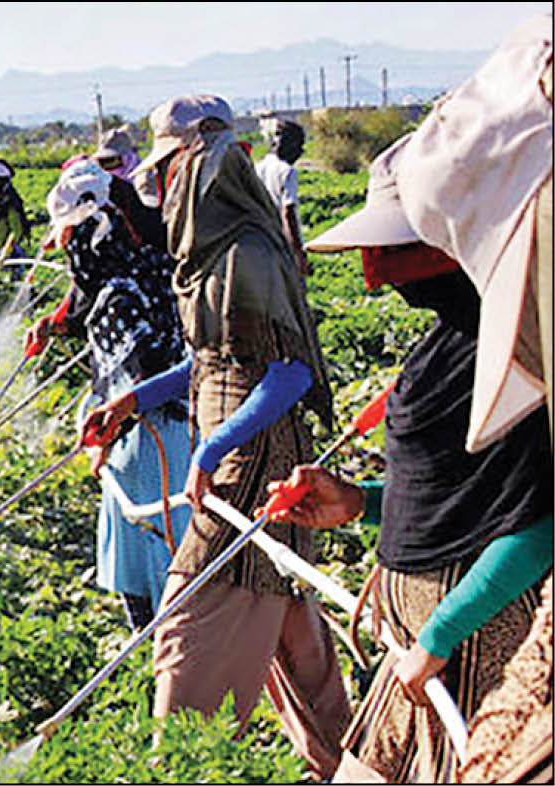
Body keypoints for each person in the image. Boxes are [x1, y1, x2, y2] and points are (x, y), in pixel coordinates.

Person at [271, 131, 551, 783]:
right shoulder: (450, 343)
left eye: (399, 246)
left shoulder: (522, 352)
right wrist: (363, 502)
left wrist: (443, 632)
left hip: (478, 650)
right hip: (421, 657)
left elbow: (540, 521)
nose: (381, 270)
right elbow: (464, 494)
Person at [82, 95, 349, 779]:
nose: (162, 186)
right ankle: (355, 764)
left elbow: (286, 374)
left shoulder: (246, 253)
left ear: (197, 166)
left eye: (170, 170)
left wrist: (209, 448)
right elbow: (212, 362)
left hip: (252, 466)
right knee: (289, 636)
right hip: (243, 454)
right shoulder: (209, 253)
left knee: (187, 626)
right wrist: (130, 399)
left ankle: (187, 769)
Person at [25, 158, 192, 630]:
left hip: (148, 445)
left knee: (148, 557)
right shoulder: (155, 264)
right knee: (173, 550)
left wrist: (110, 436)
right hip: (180, 434)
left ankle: (160, 660)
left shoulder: (113, 299)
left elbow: (146, 379)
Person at [255, 120, 309, 277]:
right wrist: (298, 255)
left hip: (260, 243)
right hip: (281, 245)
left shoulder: (258, 167)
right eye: (299, 146)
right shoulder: (287, 171)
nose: (301, 152)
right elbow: (288, 213)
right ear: (290, 144)